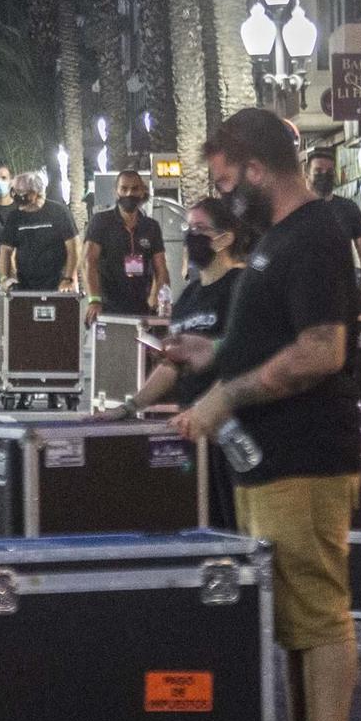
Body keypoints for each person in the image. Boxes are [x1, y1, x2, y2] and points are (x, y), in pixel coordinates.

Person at [163, 108, 358, 721]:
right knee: (295, 619)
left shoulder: (313, 237)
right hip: (269, 458)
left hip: (304, 453)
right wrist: (209, 357)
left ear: (254, 165)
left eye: (225, 176)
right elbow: (267, 339)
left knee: (318, 611)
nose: (223, 193)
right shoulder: (279, 240)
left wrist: (226, 395)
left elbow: (321, 349)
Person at [114, 196, 248, 528]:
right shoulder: (189, 295)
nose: (191, 235)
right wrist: (130, 406)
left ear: (225, 237)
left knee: (236, 528)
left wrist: (210, 406)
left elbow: (248, 356)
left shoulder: (242, 287)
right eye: (188, 228)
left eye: (200, 229)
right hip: (191, 432)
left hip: (231, 430)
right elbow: (171, 367)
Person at [81, 169, 169, 325]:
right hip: (107, 307)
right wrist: (94, 300)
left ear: (142, 192)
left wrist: (157, 299)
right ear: (116, 192)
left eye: (135, 189)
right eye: (124, 189)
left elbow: (161, 268)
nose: (129, 193)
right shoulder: (101, 221)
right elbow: (88, 262)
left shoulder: (151, 227)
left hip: (142, 308)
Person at [306, 148, 361, 312]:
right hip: (304, 293)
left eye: (329, 171)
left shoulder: (348, 208)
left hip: (341, 294)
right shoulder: (294, 209)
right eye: (318, 171)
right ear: (306, 175)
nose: (324, 175)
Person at [0, 171, 78, 292]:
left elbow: (74, 248)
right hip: (25, 284)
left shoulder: (59, 211)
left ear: (35, 192)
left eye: (21, 192)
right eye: (15, 191)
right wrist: (4, 279)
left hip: (58, 283)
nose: (17, 196)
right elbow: (5, 250)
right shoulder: (15, 216)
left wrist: (68, 279)